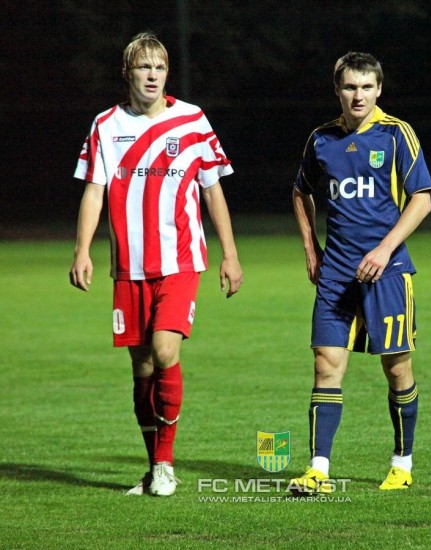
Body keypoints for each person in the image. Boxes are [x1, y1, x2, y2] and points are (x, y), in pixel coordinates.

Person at [70, 32, 243, 497]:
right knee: (142, 365)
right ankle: (152, 467)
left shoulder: (192, 120)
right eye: (144, 67)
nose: (152, 75)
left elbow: (213, 190)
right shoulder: (106, 125)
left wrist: (229, 253)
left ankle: (165, 464)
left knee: (165, 351)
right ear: (127, 73)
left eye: (160, 67)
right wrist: (82, 250)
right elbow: (94, 191)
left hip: (180, 260)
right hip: (129, 266)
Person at [290, 51, 431, 493]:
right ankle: (318, 470)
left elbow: (423, 199)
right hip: (336, 273)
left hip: (388, 273)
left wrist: (385, 250)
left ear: (379, 89)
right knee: (325, 365)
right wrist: (311, 248)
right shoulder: (322, 139)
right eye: (351, 87)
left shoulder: (396, 134)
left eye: (367, 87)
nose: (359, 95)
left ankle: (402, 464)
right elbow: (300, 191)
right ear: (337, 89)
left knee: (397, 369)